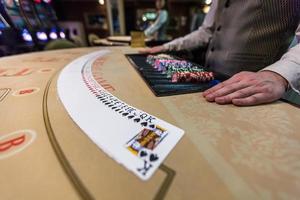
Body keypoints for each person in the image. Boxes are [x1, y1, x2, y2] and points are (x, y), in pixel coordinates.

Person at [141, 0, 300, 106]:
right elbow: (206, 31)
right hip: (209, 83)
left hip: (254, 95)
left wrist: (278, 75)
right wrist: (166, 47)